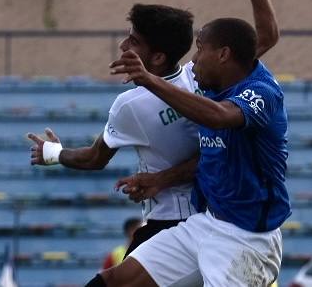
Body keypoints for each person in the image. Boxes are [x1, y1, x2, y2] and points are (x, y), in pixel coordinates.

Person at [28, 0, 280, 260]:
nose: (123, 46)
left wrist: (53, 153)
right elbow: (267, 37)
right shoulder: (205, 77)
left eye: (133, 41)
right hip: (211, 219)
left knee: (112, 282)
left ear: (158, 57)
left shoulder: (133, 104)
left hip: (173, 223)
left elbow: (94, 159)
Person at [90, 16, 289, 287]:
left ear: (223, 55)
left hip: (247, 240)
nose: (193, 59)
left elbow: (218, 116)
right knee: (115, 281)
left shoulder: (262, 93)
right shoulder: (213, 85)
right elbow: (265, 36)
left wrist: (149, 80)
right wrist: (161, 179)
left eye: (200, 48)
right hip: (205, 224)